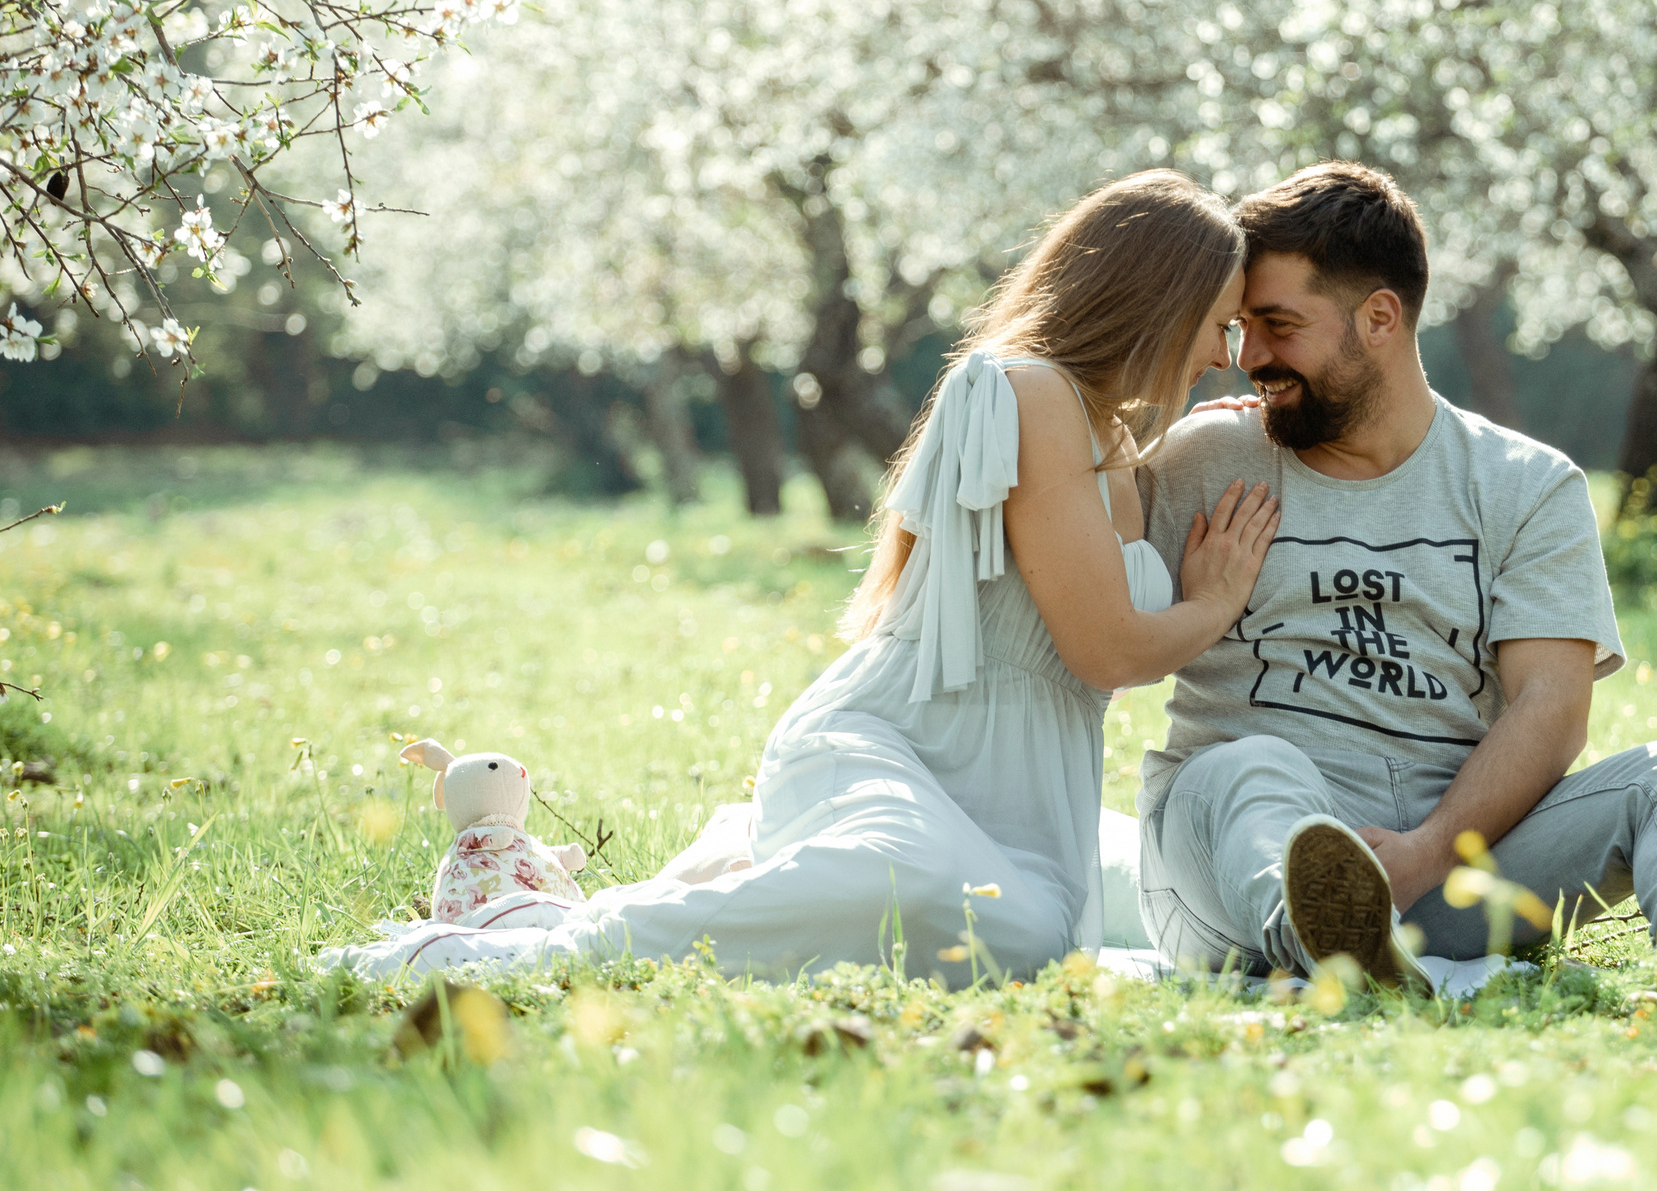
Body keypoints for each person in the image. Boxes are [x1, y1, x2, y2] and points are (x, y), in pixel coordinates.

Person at [337, 170, 1280, 984]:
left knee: (1030, 935)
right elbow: (1108, 646)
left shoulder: (1115, 443)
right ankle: (540, 942)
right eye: (1215, 325)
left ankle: (742, 866)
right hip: (892, 745)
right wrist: (1213, 599)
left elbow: (1103, 639)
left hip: (1019, 797)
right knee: (1009, 928)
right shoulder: (1030, 391)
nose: (1222, 354)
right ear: (1156, 301)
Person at [1137, 163, 1657, 992]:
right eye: (1241, 328)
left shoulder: (1524, 483)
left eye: (1277, 325)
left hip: (1446, 870)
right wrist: (1151, 408)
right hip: (1225, 869)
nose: (1250, 358)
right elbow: (1068, 571)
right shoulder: (1202, 460)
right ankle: (1323, 938)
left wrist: (1425, 853)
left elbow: (1552, 707)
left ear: (1380, 317)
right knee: (1246, 768)